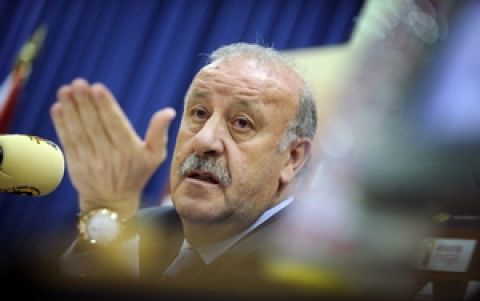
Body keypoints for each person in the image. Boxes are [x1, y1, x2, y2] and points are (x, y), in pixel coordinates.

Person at [51, 43, 317, 286]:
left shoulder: (302, 270)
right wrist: (104, 211)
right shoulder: (145, 226)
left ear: (292, 158)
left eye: (242, 123)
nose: (204, 140)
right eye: (199, 113)